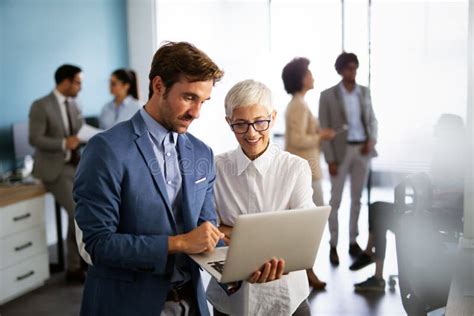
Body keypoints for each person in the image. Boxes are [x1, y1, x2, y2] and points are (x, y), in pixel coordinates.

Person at [74, 42, 282, 316]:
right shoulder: (106, 149)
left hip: (190, 304)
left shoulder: (200, 152)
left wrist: (244, 267)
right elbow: (99, 244)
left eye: (203, 101)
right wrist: (179, 243)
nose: (196, 112)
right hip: (126, 304)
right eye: (188, 97)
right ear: (158, 86)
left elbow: (205, 232)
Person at [207, 80, 314, 316]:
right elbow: (208, 230)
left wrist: (233, 231)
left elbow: (304, 234)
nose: (252, 133)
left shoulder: (295, 168)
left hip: (286, 298)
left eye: (259, 122)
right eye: (241, 124)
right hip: (230, 301)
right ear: (229, 123)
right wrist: (275, 235)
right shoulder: (215, 168)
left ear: (273, 117)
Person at [352, 114, 465, 292]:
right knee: (377, 208)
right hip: (427, 208)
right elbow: (434, 184)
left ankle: (374, 267)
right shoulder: (441, 157)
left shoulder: (462, 160)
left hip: (438, 216)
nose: (440, 138)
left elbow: (455, 191)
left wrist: (431, 192)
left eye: (443, 133)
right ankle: (371, 261)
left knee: (380, 213)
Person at [319, 52, 378, 265]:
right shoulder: (328, 95)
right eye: (348, 68)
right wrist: (330, 159)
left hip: (362, 150)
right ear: (340, 70)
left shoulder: (364, 92)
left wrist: (372, 139)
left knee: (357, 200)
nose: (352, 72)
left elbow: (372, 120)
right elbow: (323, 129)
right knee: (335, 201)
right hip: (340, 153)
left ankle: (353, 241)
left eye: (355, 68)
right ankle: (333, 244)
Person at [282, 57, 335, 290]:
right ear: (301, 78)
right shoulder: (297, 105)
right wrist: (321, 136)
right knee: (311, 222)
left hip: (309, 168)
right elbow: (296, 139)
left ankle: (306, 270)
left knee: (308, 223)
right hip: (306, 171)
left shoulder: (301, 103)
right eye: (309, 73)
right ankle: (305, 270)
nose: (312, 76)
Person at [28, 64, 85, 282]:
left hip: (75, 166)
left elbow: (79, 130)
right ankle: (74, 266)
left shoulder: (74, 104)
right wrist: (63, 143)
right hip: (54, 170)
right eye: (78, 82)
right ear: (65, 82)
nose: (80, 87)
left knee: (84, 211)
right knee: (77, 213)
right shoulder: (41, 105)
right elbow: (35, 138)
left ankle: (80, 261)